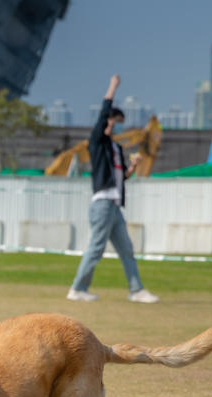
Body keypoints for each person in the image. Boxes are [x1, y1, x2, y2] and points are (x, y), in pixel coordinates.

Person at [67, 74, 159, 303]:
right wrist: (112, 87)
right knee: (96, 248)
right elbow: (102, 115)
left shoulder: (116, 149)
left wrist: (133, 167)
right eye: (110, 121)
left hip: (115, 205)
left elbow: (121, 178)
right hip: (102, 204)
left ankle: (136, 290)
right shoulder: (97, 143)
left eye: (114, 122)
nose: (111, 124)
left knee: (126, 248)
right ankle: (77, 288)